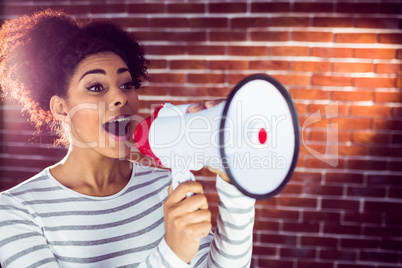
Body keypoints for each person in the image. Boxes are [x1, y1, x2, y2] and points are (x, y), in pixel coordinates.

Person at [0, 10, 255, 267]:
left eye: (126, 84)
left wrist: (236, 186)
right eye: (96, 87)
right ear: (61, 108)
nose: (120, 97)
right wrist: (173, 252)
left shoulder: (164, 186)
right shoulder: (15, 211)